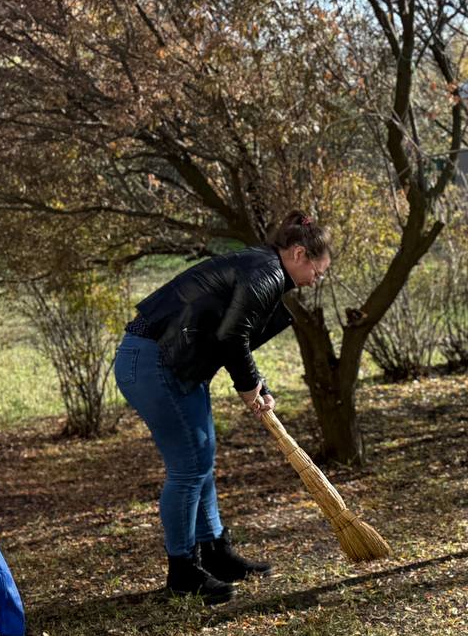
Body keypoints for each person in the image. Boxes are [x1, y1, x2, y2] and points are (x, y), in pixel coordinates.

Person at [115, 211, 331, 605]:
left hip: (167, 363)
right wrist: (249, 390)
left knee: (202, 460)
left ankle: (215, 552)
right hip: (151, 363)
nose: (318, 278)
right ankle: (183, 571)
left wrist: (257, 383)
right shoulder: (266, 273)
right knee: (188, 467)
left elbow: (233, 331)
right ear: (299, 253)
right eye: (318, 270)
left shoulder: (261, 266)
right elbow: (233, 335)